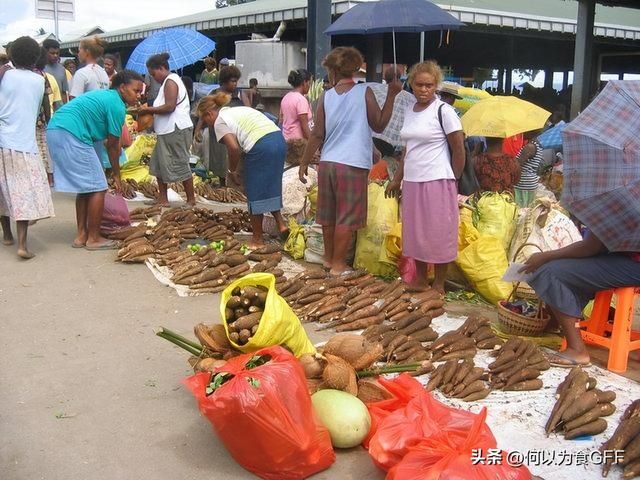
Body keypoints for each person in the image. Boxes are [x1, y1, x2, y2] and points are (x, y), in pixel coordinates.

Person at [298, 47, 401, 275]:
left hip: (328, 163)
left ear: (333, 70)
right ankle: (338, 265)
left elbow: (317, 135)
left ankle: (328, 259)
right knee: (345, 216)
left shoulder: (326, 96)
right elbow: (379, 124)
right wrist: (392, 95)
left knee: (328, 214)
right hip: (352, 164)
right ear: (355, 69)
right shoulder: (364, 92)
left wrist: (304, 162)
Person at [385, 61, 465, 294]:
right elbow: (407, 150)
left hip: (438, 180)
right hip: (412, 181)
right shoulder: (410, 111)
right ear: (411, 84)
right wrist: (397, 178)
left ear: (436, 86)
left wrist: (453, 180)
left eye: (429, 85)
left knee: (439, 232)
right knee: (416, 231)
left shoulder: (445, 112)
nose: (424, 90)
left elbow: (458, 149)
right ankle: (420, 279)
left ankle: (438, 284)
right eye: (419, 85)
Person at [46, 70, 144, 250]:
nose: (139, 95)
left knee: (86, 187)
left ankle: (81, 236)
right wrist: (117, 175)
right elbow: (113, 145)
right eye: (136, 90)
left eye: (140, 91)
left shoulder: (107, 96)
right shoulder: (116, 105)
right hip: (71, 133)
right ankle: (94, 238)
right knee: (98, 186)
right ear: (122, 88)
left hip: (56, 130)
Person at [521, 233, 640, 367]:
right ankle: (554, 320)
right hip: (631, 259)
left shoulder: (612, 213)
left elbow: (590, 247)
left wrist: (545, 256)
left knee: (550, 272)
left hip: (635, 266)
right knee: (570, 266)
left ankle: (576, 350)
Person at [197, 92, 288, 247]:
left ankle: (257, 239)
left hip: (261, 145)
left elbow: (233, 148)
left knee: (255, 192)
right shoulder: (233, 110)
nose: (207, 124)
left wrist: (232, 171)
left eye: (205, 120)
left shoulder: (220, 121)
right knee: (269, 187)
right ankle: (281, 224)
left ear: (209, 113)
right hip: (278, 140)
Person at [0, 36, 55, 259]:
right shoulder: (39, 80)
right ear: (36, 57)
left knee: (2, 191)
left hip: (2, 140)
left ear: (12, 54)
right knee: (22, 192)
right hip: (25, 144)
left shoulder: (5, 74)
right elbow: (43, 111)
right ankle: (22, 245)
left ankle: (7, 235)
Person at [133, 53, 195, 206]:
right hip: (166, 131)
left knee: (180, 162)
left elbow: (169, 107)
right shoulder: (167, 82)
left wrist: (149, 110)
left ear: (161, 68)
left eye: (153, 74)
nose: (153, 78)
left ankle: (191, 200)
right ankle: (163, 199)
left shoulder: (171, 81)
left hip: (176, 129)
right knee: (158, 164)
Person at [370, 66, 415, 158]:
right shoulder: (411, 99)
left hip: (371, 139)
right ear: (399, 78)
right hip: (394, 146)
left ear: (385, 78)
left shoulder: (373, 90)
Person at [280, 68, 312, 165]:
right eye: (309, 83)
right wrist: (313, 144)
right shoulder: (301, 100)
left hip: (287, 142)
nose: (310, 86)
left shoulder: (286, 97)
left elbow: (281, 119)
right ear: (304, 83)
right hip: (299, 145)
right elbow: (304, 126)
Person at [513, 131, 544, 207]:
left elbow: (518, 164)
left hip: (523, 184)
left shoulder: (529, 147)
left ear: (531, 132)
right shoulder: (537, 146)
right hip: (530, 183)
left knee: (521, 211)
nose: (522, 133)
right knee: (528, 211)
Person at [42, 38, 69, 104]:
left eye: (57, 53)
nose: (55, 56)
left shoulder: (62, 69)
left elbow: (64, 93)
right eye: (52, 53)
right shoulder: (39, 69)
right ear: (45, 52)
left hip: (58, 109)